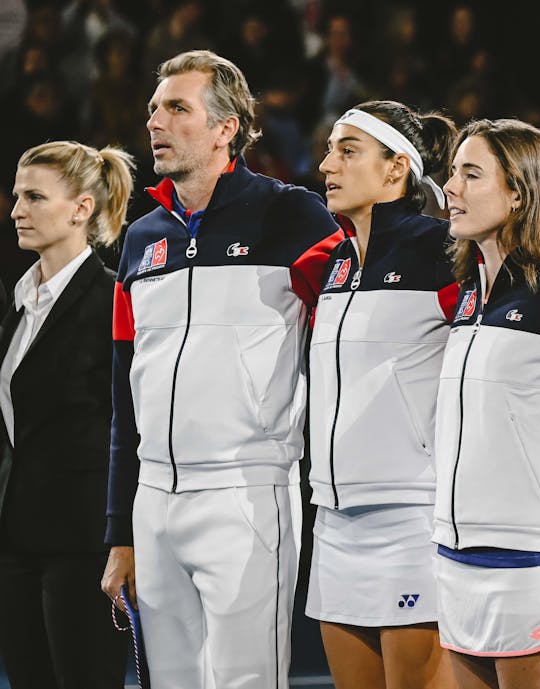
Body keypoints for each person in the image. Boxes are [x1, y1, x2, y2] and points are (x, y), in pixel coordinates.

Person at [100, 50, 343, 688]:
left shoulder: (291, 216)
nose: (157, 121)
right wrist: (120, 530)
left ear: (226, 127)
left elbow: (344, 350)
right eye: (154, 108)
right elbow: (127, 402)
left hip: (248, 493)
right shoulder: (140, 239)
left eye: (178, 108)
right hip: (153, 502)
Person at [432, 118, 540, 689]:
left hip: (532, 558)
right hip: (453, 553)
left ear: (521, 191)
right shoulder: (469, 291)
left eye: (471, 174)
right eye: (453, 172)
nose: (450, 187)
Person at [306, 100, 458, 689]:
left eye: (348, 151)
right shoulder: (335, 263)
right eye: (328, 150)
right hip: (335, 518)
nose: (328, 165)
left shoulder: (442, 250)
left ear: (397, 168)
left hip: (412, 517)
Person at [0, 140, 134, 689]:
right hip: (17, 540)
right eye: (15, 196)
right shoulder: (18, 305)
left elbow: (129, 427)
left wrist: (123, 538)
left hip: (85, 546)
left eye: (34, 197)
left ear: (81, 209)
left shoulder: (113, 300)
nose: (16, 211)